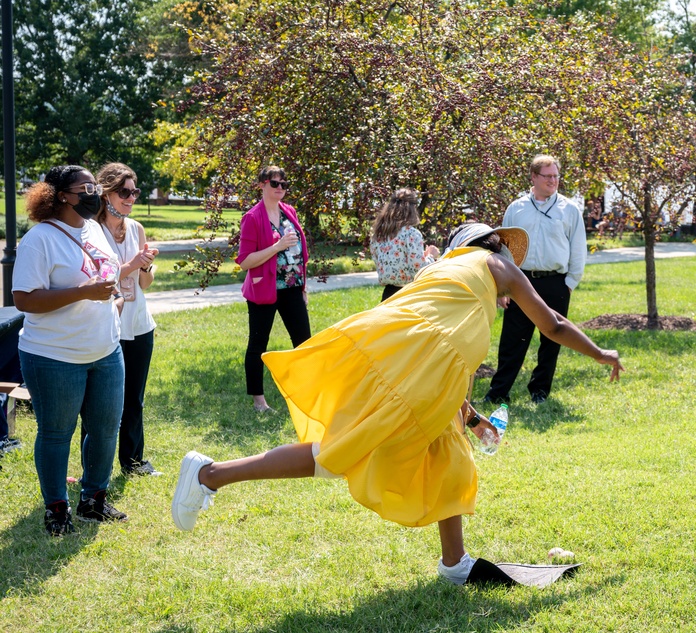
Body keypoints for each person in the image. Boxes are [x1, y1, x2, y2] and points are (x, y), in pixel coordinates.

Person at [172, 222, 623, 586]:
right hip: (409, 369)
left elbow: (452, 356)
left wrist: (468, 414)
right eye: (506, 249)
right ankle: (210, 474)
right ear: (492, 247)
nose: (511, 262)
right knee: (340, 454)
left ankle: (454, 562)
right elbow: (554, 324)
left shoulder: (449, 281)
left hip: (409, 363)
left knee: (447, 454)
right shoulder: (494, 266)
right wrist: (601, 353)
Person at [13, 165, 128, 536]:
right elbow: (24, 299)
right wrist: (83, 292)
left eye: (95, 185)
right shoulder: (39, 239)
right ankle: (57, 510)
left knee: (106, 428)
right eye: (85, 188)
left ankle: (93, 500)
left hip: (106, 350)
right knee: (56, 432)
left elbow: (106, 273)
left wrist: (115, 298)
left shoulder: (94, 228)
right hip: (53, 356)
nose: (94, 192)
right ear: (61, 194)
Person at [484, 154, 587, 405]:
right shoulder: (516, 208)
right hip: (520, 281)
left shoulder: (569, 209)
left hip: (555, 282)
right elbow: (504, 249)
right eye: (547, 176)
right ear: (533, 177)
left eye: (556, 176)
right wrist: (502, 287)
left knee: (551, 339)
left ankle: (540, 391)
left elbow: (578, 248)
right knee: (512, 340)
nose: (553, 180)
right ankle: (499, 392)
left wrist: (570, 284)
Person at [85, 162, 161, 476]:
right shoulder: (91, 230)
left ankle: (133, 462)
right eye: (124, 192)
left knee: (134, 400)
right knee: (99, 406)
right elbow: (102, 281)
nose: (130, 198)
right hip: (107, 326)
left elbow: (145, 284)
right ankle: (94, 468)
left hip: (140, 325)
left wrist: (145, 267)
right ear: (106, 193)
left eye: (134, 191)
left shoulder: (137, 229)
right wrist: (132, 263)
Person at [236, 165, 312, 413]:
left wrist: (303, 285)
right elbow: (245, 261)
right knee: (258, 345)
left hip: (292, 287)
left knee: (304, 343)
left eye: (283, 184)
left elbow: (301, 254)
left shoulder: (289, 212)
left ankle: (306, 394)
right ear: (262, 185)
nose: (280, 188)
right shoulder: (252, 218)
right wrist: (276, 247)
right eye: (274, 183)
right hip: (263, 290)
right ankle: (259, 401)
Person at [369, 188, 440, 301]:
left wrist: (423, 256)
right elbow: (418, 269)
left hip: (388, 294)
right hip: (408, 294)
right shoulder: (411, 234)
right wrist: (431, 256)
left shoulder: (379, 234)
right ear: (412, 209)